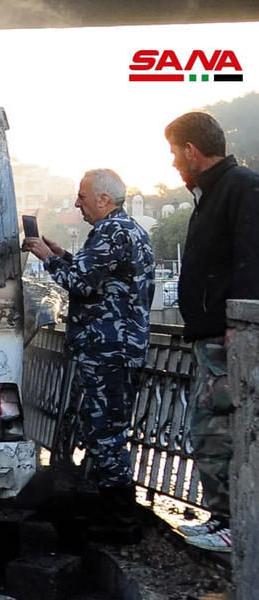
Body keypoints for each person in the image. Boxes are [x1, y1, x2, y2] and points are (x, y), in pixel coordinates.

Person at [23, 168, 155, 544]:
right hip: (115, 350)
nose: (77, 202)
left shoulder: (112, 232)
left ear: (103, 199)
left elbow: (80, 283)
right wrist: (61, 254)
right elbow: (92, 275)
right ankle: (111, 511)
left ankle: (121, 520)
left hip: (109, 351)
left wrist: (46, 257)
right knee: (104, 429)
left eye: (82, 196)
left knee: (107, 434)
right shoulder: (125, 231)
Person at [164, 111, 259, 553]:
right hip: (212, 337)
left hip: (228, 339)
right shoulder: (213, 192)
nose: (172, 163)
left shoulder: (240, 187)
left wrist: (239, 330)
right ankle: (223, 516)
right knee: (208, 429)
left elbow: (250, 263)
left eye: (173, 153)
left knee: (218, 430)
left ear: (191, 150)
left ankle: (234, 523)